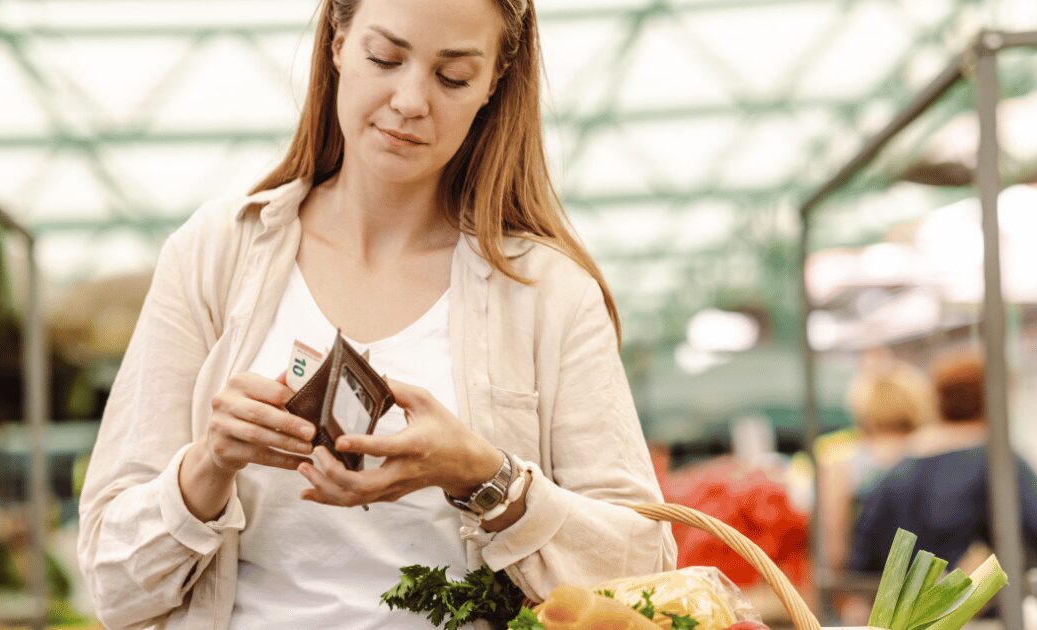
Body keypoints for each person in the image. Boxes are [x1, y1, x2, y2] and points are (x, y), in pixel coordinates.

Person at [75, 0, 677, 628]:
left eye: (453, 77)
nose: (411, 100)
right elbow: (113, 586)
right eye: (385, 57)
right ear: (337, 42)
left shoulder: (549, 293)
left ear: (494, 84)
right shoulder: (214, 255)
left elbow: (643, 576)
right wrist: (208, 464)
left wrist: (484, 477)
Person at [847, 350, 1037, 574]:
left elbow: (863, 556)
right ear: (993, 399)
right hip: (981, 608)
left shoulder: (898, 467)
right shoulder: (999, 462)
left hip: (900, 607)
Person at [816, 353, 935, 574]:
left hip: (870, 591)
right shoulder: (931, 458)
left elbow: (835, 551)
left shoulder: (845, 466)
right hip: (930, 588)